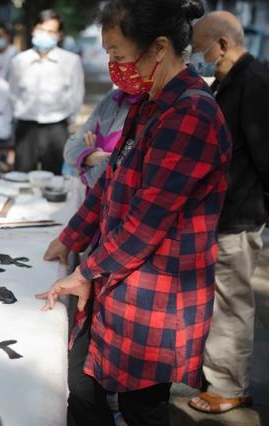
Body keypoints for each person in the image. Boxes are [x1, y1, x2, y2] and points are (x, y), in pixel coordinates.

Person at [36, 1, 232, 425]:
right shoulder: (149, 102)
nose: (113, 66)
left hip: (155, 292)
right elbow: (109, 183)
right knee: (83, 386)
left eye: (119, 55)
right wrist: (70, 238)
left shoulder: (190, 114)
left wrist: (86, 272)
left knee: (139, 405)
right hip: (121, 277)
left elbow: (147, 222)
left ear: (159, 47)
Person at [187, 11, 269, 415]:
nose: (196, 55)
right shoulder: (226, 81)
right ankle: (215, 376)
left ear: (221, 43)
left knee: (233, 302)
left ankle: (229, 386)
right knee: (219, 300)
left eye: (199, 46)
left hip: (239, 215)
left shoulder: (255, 84)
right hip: (218, 212)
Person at [9, 9, 84, 174]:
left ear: (59, 35)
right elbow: (13, 94)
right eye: (41, 29)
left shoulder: (71, 61)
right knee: (21, 177)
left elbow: (76, 96)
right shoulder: (18, 61)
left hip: (56, 128)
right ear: (33, 30)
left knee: (54, 180)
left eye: (51, 31)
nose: (45, 34)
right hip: (26, 127)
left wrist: (67, 120)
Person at [63, 89, 137, 189]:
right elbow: (69, 150)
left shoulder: (148, 107)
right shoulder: (113, 97)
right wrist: (102, 158)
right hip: (91, 197)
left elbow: (97, 180)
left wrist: (84, 160)